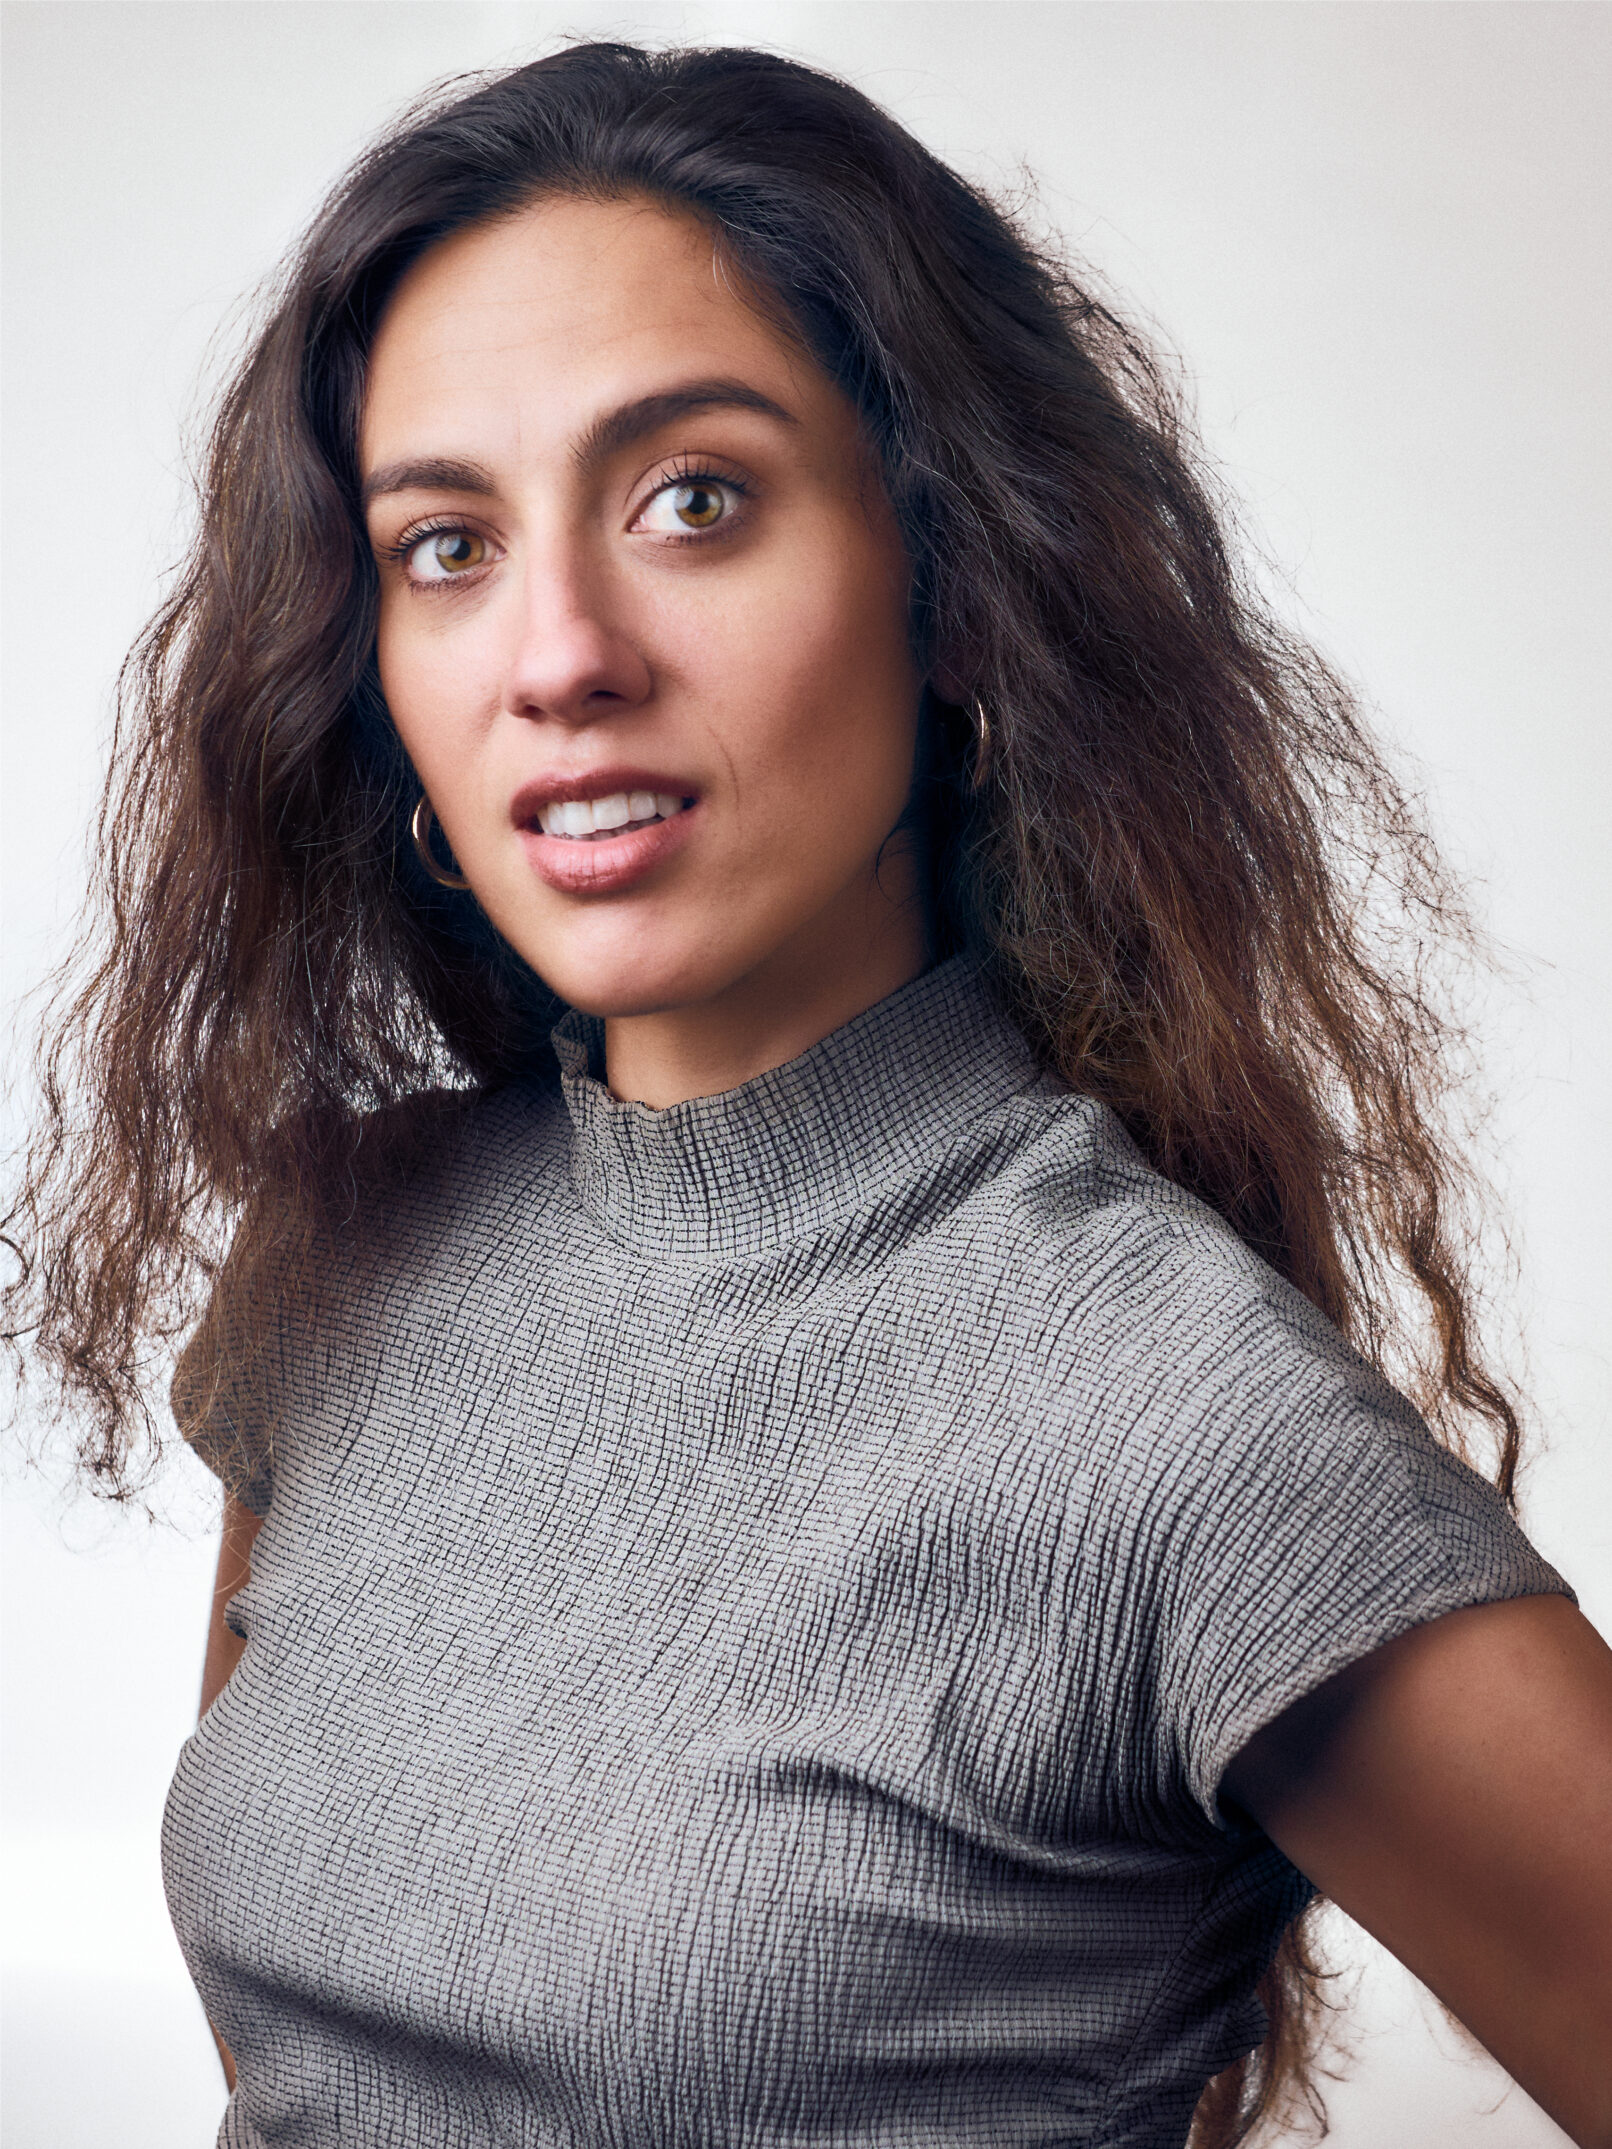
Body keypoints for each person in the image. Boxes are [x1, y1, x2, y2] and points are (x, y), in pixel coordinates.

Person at [7, 40, 1610, 2149]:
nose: (557, 650)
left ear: (950, 583)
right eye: (445, 543)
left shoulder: (1170, 1424)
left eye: (695, 497)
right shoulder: (350, 1240)